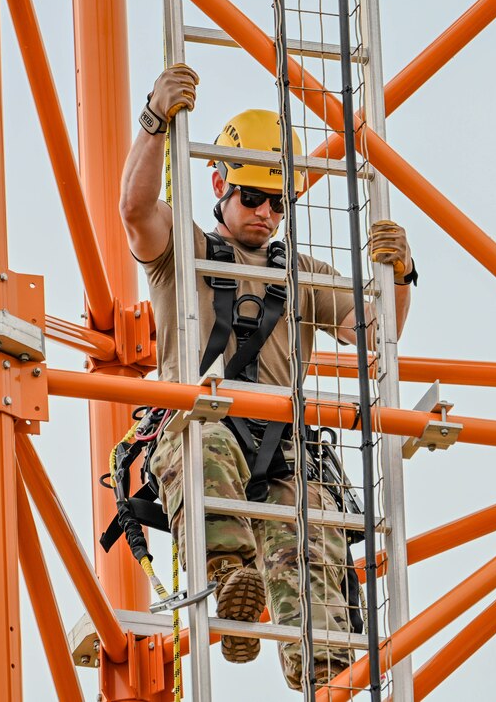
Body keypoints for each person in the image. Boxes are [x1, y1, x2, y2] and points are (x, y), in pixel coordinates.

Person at [119, 63, 414, 690]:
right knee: (207, 432)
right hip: (200, 431)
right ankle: (231, 583)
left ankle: (327, 676)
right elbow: (135, 208)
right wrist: (153, 119)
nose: (267, 213)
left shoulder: (299, 271)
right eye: (253, 197)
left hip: (278, 453)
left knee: (312, 517)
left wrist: (401, 278)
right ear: (219, 184)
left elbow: (375, 338)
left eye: (279, 202)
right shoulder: (185, 251)